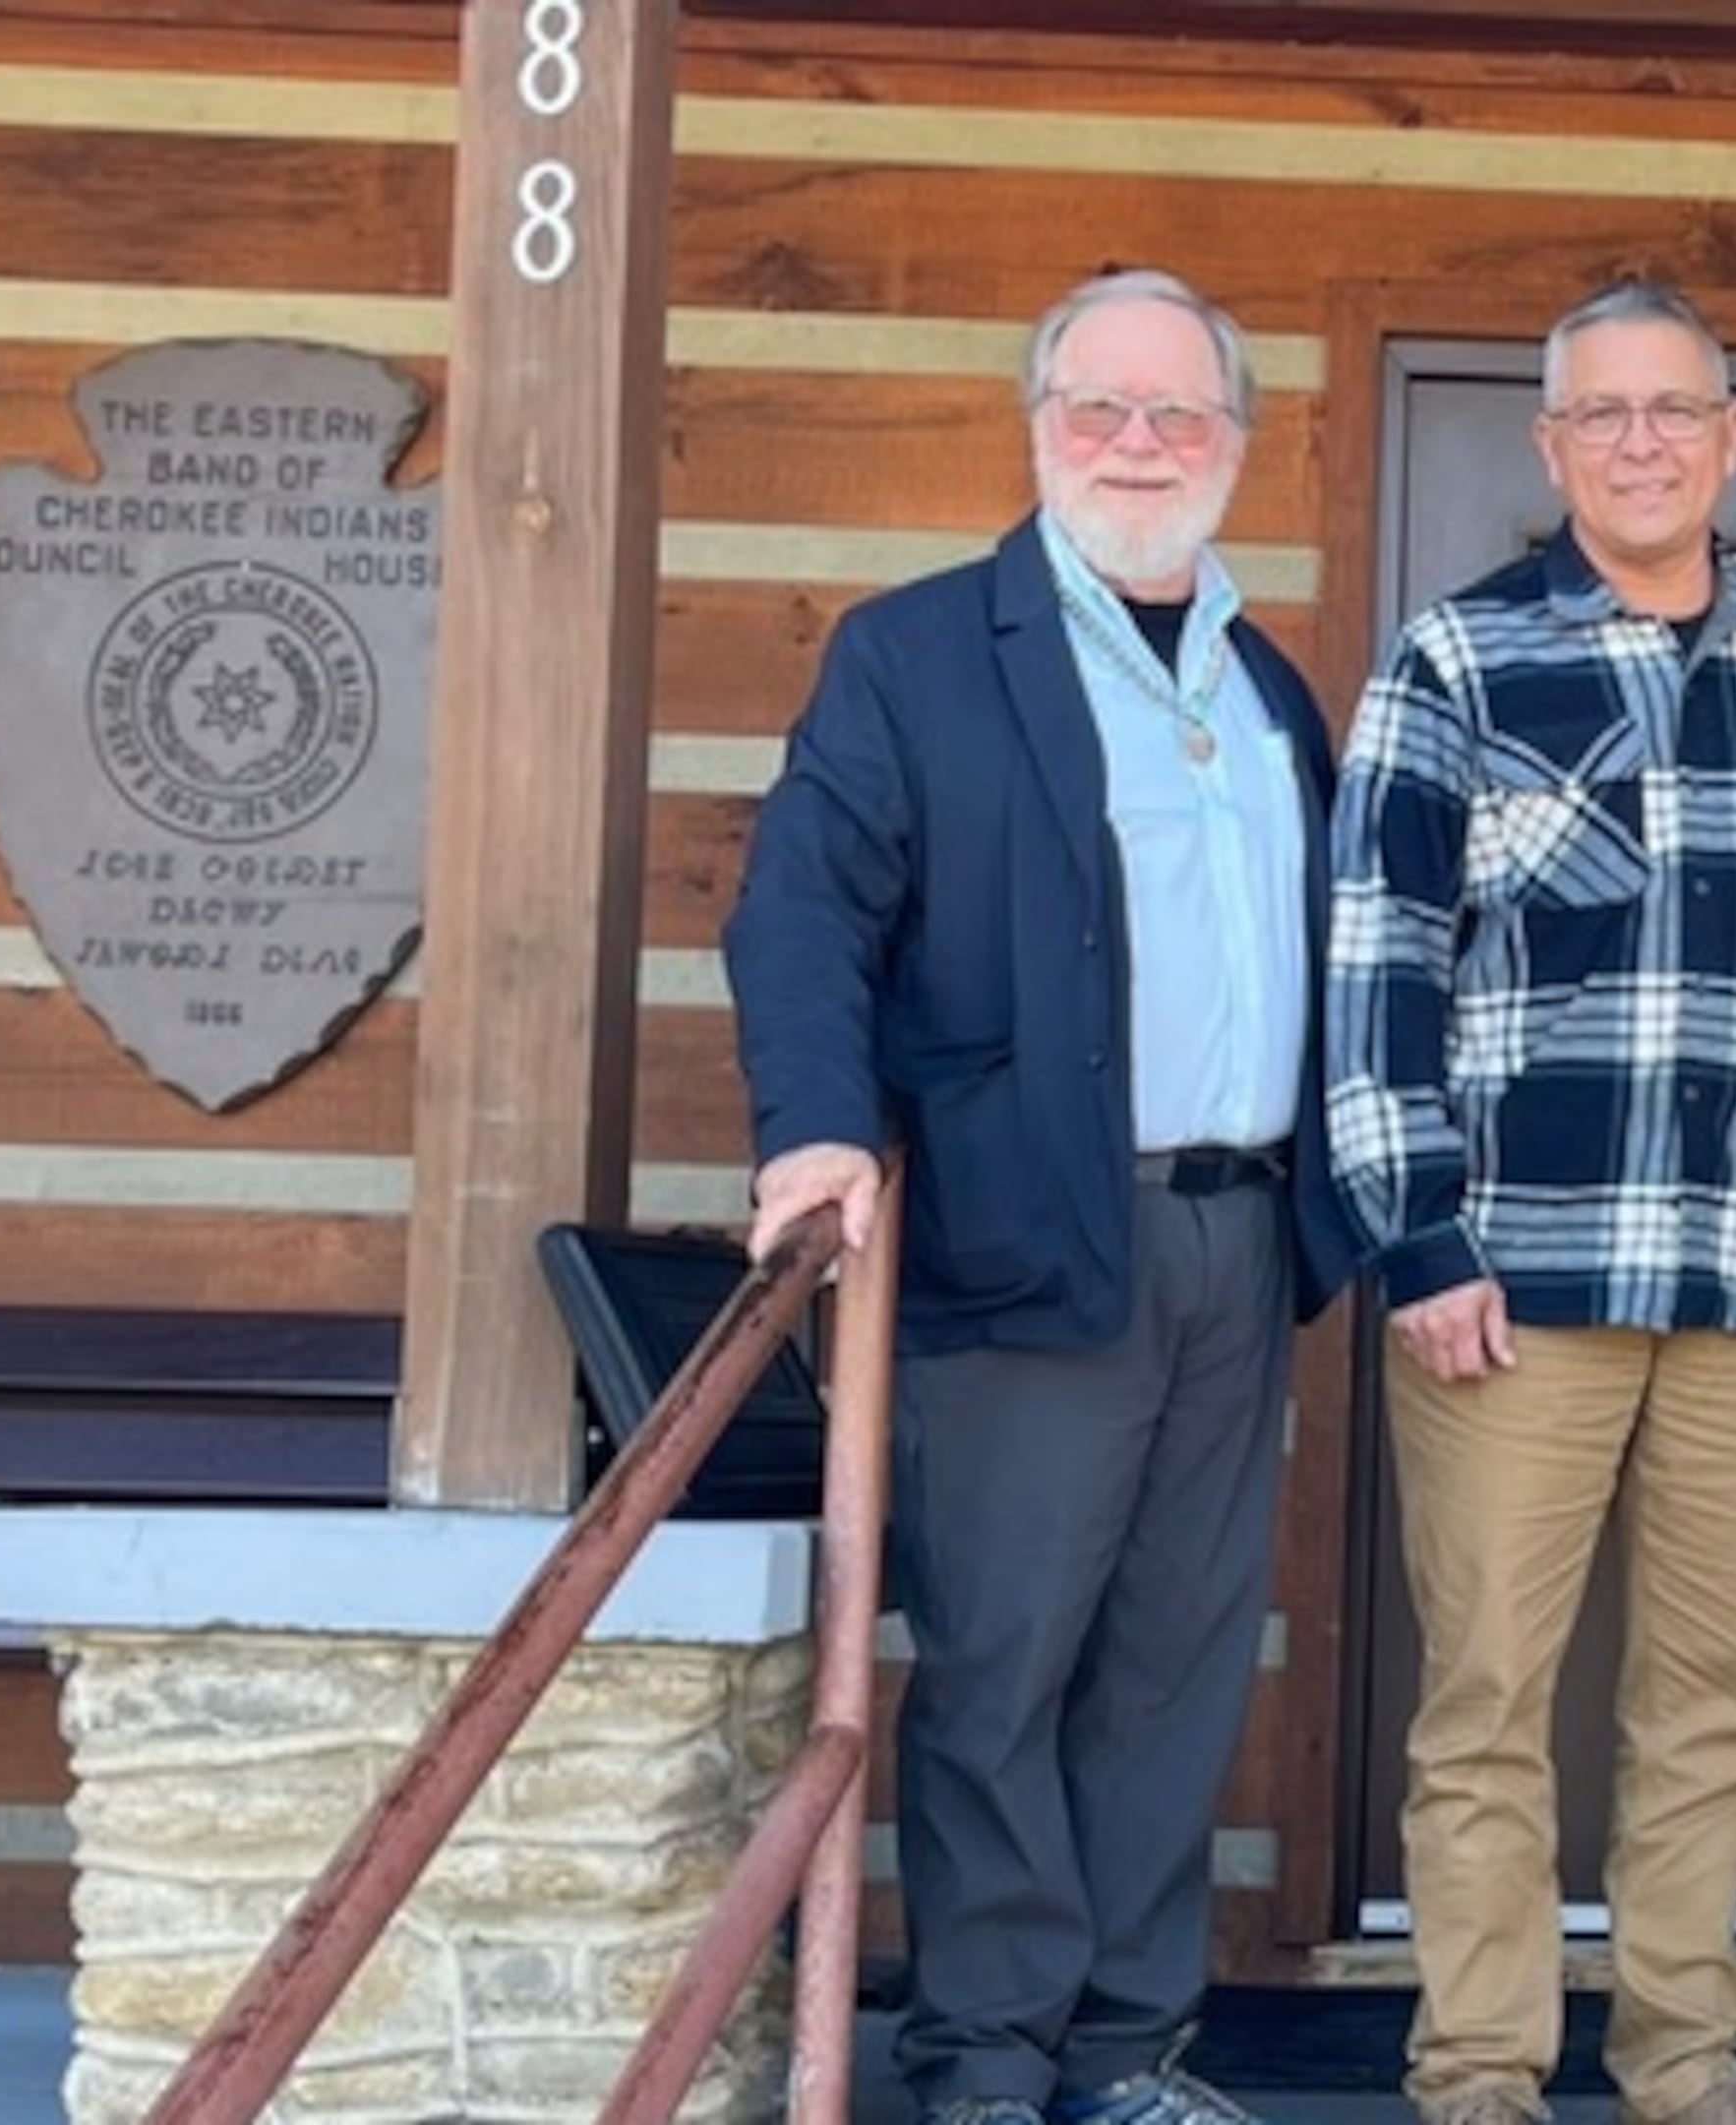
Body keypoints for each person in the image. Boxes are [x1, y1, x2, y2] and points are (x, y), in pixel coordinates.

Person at [724, 267, 1360, 2125]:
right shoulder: (919, 656)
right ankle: (988, 2064)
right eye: (1100, 407)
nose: (1137, 444)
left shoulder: (1263, 685)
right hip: (1026, 1232)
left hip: (1240, 1241)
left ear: (1236, 445)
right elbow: (804, 909)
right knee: (1005, 1669)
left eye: (1179, 413)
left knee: (1174, 1669)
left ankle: (1122, 2056)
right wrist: (816, 1128)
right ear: (1037, 428)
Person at [1326, 280, 1736, 2125]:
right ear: (1550, 445)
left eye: (1674, 410)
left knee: (1717, 1696)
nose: (1641, 443)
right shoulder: (1457, 661)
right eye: (1603, 413)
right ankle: (1480, 2069)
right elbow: (1379, 964)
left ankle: (1682, 2058)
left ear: (1733, 439)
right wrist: (1415, 1231)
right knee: (1487, 1701)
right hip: (1509, 1282)